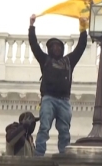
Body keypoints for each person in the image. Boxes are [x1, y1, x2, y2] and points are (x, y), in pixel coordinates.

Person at [28, 14, 88, 156]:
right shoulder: (45, 60)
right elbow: (34, 45)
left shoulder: (69, 61)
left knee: (64, 130)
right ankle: (39, 154)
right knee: (44, 127)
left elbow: (81, 47)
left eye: (58, 46)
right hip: (48, 99)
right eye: (52, 46)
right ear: (49, 49)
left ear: (62, 49)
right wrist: (31, 26)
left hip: (64, 101)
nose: (56, 48)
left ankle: (64, 154)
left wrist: (83, 27)